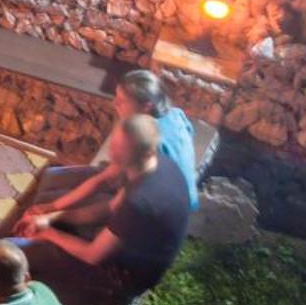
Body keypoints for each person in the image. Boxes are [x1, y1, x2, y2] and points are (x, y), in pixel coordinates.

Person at [0, 114, 191, 305]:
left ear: (135, 152)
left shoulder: (141, 201)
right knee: (41, 219)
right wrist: (54, 217)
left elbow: (94, 255)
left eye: (119, 147)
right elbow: (107, 208)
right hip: (115, 249)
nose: (113, 150)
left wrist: (47, 233)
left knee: (15, 252)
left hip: (114, 282)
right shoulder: (156, 164)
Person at [29, 68, 198, 216]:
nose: (114, 103)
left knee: (50, 197)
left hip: (163, 207)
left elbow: (103, 181)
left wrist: (52, 208)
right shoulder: (175, 114)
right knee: (53, 176)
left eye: (122, 101)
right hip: (183, 196)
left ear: (146, 106)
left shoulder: (143, 139)